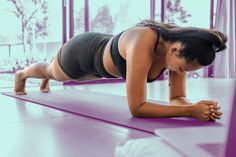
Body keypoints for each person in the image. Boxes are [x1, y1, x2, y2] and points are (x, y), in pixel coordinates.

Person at [14, 19, 227, 122]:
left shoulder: (180, 50)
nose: (180, 72)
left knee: (53, 73)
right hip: (82, 53)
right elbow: (137, 108)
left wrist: (200, 108)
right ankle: (22, 74)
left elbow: (178, 97)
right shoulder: (144, 39)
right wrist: (189, 111)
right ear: (174, 49)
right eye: (182, 68)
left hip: (100, 68)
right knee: (52, 72)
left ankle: (46, 74)